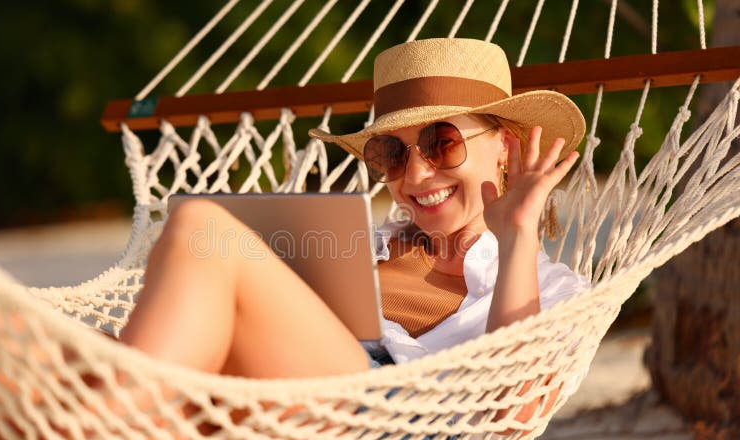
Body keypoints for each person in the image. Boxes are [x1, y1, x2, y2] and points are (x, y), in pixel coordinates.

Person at [118, 38, 589, 380]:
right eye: (392, 152)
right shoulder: (350, 247)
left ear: (503, 145)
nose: (416, 175)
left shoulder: (553, 291)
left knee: (200, 226)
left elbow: (515, 408)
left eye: (441, 144)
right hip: (274, 398)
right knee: (64, 362)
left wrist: (517, 237)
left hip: (393, 427)